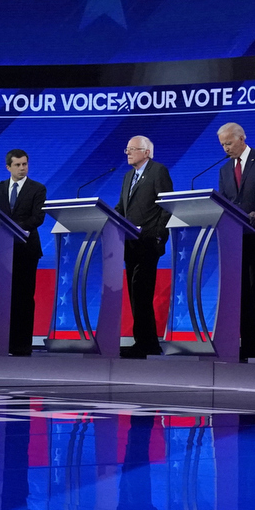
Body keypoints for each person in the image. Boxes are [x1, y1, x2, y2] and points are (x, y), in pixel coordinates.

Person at [217, 122, 255, 360]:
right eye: (222, 144)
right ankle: (248, 343)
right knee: (241, 291)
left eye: (228, 143)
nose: (225, 148)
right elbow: (223, 200)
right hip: (236, 237)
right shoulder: (224, 170)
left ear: (242, 139)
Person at [115, 136, 172, 357]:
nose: (128, 153)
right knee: (135, 293)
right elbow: (122, 207)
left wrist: (159, 235)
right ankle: (144, 341)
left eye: (132, 149)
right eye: (127, 149)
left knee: (142, 292)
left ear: (146, 152)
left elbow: (165, 205)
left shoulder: (158, 171)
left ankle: (148, 343)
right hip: (130, 243)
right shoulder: (128, 176)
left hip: (149, 242)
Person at [0, 149, 47, 357]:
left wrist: (12, 229)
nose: (22, 168)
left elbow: (38, 217)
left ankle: (22, 345)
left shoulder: (37, 189)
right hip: (3, 251)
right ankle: (3, 342)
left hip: (26, 249)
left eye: (25, 164)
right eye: (18, 165)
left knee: (23, 297)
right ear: (8, 167)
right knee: (5, 298)